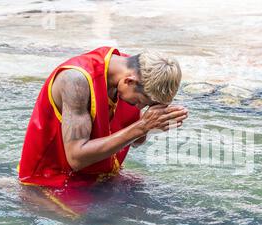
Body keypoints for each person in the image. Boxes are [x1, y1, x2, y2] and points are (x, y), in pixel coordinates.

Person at [18, 46, 188, 189]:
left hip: (101, 175)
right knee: (102, 222)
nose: (139, 108)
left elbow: (135, 141)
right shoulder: (75, 81)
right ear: (129, 82)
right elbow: (76, 158)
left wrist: (153, 124)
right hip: (50, 181)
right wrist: (142, 126)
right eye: (140, 102)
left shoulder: (135, 72)